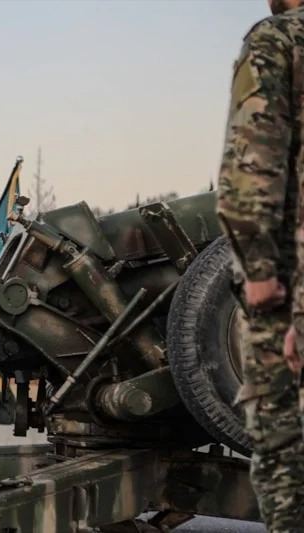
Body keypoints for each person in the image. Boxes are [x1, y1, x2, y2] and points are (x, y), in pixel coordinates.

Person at [216, 2, 303, 530]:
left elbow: (250, 168)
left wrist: (261, 272)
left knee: (285, 455)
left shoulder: (279, 40)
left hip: (288, 291)